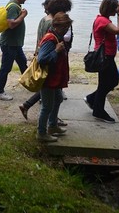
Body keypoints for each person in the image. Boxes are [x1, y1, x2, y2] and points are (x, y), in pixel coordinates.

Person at [19, 0, 73, 121]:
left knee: (53, 94)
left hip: (44, 55)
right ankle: (48, 123)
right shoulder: (53, 24)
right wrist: (55, 51)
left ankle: (48, 118)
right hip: (50, 62)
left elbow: (40, 38)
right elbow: (47, 43)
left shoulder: (44, 20)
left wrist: (36, 51)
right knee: (49, 94)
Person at [84, 0, 119, 123]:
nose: (116, 9)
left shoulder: (103, 19)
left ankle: (92, 99)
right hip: (104, 56)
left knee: (111, 82)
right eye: (115, 7)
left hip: (107, 55)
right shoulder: (102, 21)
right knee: (107, 83)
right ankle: (98, 110)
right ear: (110, 8)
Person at [37, 12, 73, 142]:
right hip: (48, 79)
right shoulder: (50, 39)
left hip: (54, 78)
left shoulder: (57, 37)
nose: (65, 31)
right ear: (57, 26)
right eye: (64, 28)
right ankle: (41, 133)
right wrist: (56, 51)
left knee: (58, 99)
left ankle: (52, 126)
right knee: (46, 106)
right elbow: (42, 59)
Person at [0, 0, 29, 101]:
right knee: (6, 68)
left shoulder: (15, 5)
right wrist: (23, 16)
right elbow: (11, 24)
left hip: (15, 44)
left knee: (23, 63)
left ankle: (31, 85)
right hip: (9, 44)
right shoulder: (14, 6)